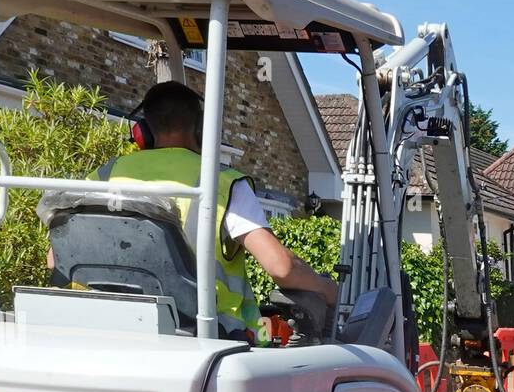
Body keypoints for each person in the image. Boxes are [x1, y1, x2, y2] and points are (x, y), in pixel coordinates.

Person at [90, 81, 338, 340]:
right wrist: (326, 288)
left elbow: (56, 258)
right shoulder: (221, 182)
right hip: (208, 337)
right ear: (201, 131)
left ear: (143, 133)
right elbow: (282, 268)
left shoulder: (104, 176)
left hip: (109, 329)